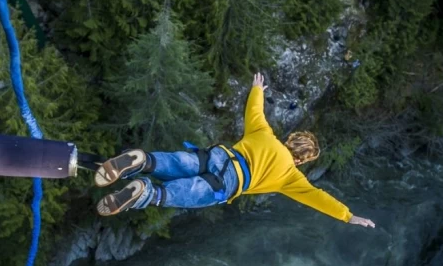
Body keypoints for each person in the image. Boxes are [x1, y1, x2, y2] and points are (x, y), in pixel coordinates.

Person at [94, 73, 375, 228]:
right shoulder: (291, 177)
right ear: (302, 160)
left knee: (180, 162)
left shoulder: (264, 133)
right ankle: (145, 192)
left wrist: (257, 89)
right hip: (229, 183)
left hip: (219, 156)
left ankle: (143, 160)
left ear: (291, 139)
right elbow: (317, 198)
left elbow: (255, 110)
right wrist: (348, 216)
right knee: (176, 194)